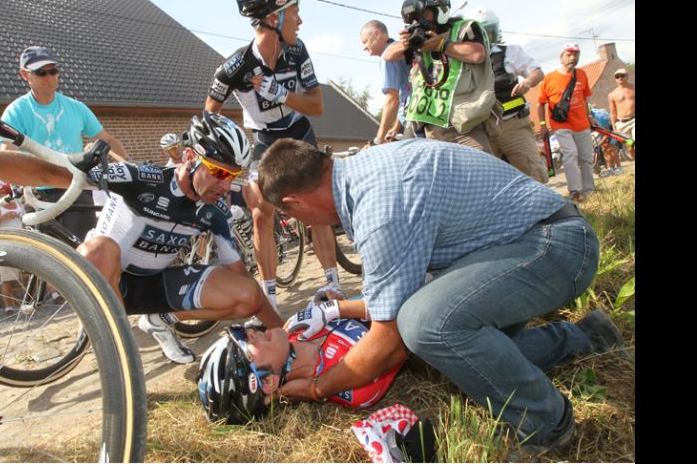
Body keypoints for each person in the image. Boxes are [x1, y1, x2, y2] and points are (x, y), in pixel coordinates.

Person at [257, 137, 628, 458]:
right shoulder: (365, 173)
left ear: (296, 202)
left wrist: (319, 387)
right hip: (527, 243)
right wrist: (335, 308)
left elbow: (389, 342)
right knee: (451, 354)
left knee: (425, 325)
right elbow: (392, 295)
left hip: (556, 248)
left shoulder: (380, 209)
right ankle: (588, 337)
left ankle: (544, 421)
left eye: (294, 218)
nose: (306, 227)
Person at [0, 111, 284, 364]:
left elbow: (239, 274)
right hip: (107, 278)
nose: (225, 184)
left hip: (154, 285)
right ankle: (120, 358)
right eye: (219, 171)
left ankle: (159, 321)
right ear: (190, 157)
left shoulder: (215, 208)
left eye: (233, 175)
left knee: (247, 294)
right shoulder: (141, 177)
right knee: (100, 249)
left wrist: (285, 335)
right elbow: (49, 173)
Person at [204, 0, 343, 310]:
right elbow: (209, 114)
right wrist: (228, 146)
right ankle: (269, 299)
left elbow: (317, 105)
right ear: (275, 17)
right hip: (264, 139)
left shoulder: (297, 50)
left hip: (299, 132)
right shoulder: (234, 67)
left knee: (319, 207)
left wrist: (282, 94)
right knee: (260, 213)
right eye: (295, 11)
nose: (300, 20)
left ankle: (333, 287)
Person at [0, 46, 130, 242]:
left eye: (53, 71)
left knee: (82, 253)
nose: (50, 77)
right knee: (48, 260)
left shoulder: (76, 108)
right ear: (25, 75)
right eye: (41, 73)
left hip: (76, 188)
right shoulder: (16, 111)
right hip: (39, 194)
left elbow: (107, 139)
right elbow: (7, 152)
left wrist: (130, 165)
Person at [197, 312, 403, 424]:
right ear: (268, 381)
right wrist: (340, 307)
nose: (249, 331)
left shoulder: (293, 330)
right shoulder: (356, 389)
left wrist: (331, 301)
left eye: (240, 331)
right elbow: (398, 331)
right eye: (244, 343)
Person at [382, 0, 495, 153]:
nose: (417, 21)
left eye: (422, 14)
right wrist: (406, 44)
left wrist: (441, 45)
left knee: (486, 172)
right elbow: (387, 55)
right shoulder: (417, 38)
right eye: (412, 17)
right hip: (426, 125)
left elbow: (477, 54)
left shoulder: (464, 28)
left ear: (439, 10)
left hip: (461, 124)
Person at [465, 7, 548, 182]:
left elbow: (537, 72)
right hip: (482, 130)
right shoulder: (464, 62)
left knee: (532, 173)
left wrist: (527, 82)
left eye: (491, 31)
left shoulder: (510, 51)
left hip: (512, 124)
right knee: (492, 182)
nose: (489, 36)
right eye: (484, 32)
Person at [538, 43, 596, 202]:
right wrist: (543, 124)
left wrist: (589, 116)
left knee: (586, 158)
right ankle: (575, 191)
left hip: (582, 124)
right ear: (561, 58)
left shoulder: (582, 74)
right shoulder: (549, 78)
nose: (573, 58)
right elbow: (540, 103)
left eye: (576, 54)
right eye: (569, 55)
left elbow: (585, 98)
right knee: (571, 154)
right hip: (561, 125)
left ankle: (589, 190)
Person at [360, 20, 411, 145]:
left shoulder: (388, 56)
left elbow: (392, 100)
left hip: (414, 119)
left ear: (377, 34)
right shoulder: (400, 47)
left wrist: (378, 139)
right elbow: (406, 92)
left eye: (365, 41)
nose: (364, 47)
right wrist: (396, 128)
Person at [0, 180, 25, 315]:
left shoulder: (18, 203)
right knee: (7, 278)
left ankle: (30, 301)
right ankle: (8, 307)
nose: (0, 195)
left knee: (32, 273)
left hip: (22, 241)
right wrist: (4, 217)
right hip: (5, 244)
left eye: (2, 191)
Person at [608, 67, 635, 160]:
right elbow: (612, 111)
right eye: (617, 77)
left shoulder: (634, 88)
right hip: (621, 123)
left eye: (622, 76)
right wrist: (614, 128)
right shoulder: (612, 94)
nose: (619, 78)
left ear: (627, 76)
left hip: (634, 120)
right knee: (630, 147)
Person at [590, 105, 622, 176]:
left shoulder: (600, 117)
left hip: (612, 129)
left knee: (611, 148)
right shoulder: (588, 115)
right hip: (602, 130)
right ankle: (610, 169)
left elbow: (607, 133)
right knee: (605, 149)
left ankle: (619, 168)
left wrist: (599, 143)